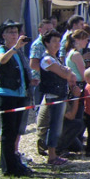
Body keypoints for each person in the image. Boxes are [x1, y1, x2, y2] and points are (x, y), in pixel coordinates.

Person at [0, 20, 32, 176]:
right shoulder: (2, 49)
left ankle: (12, 163)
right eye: (10, 31)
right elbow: (2, 60)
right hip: (7, 95)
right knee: (8, 133)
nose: (14, 34)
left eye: (15, 32)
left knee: (15, 132)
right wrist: (15, 47)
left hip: (19, 94)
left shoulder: (18, 52)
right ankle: (9, 167)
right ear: (3, 34)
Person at [37, 30, 77, 167]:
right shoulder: (47, 59)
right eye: (53, 41)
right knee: (54, 126)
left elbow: (67, 72)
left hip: (60, 94)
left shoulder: (55, 59)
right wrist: (66, 71)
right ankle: (52, 155)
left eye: (58, 41)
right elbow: (65, 74)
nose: (57, 44)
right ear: (46, 43)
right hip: (53, 95)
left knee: (57, 126)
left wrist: (66, 71)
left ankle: (54, 152)